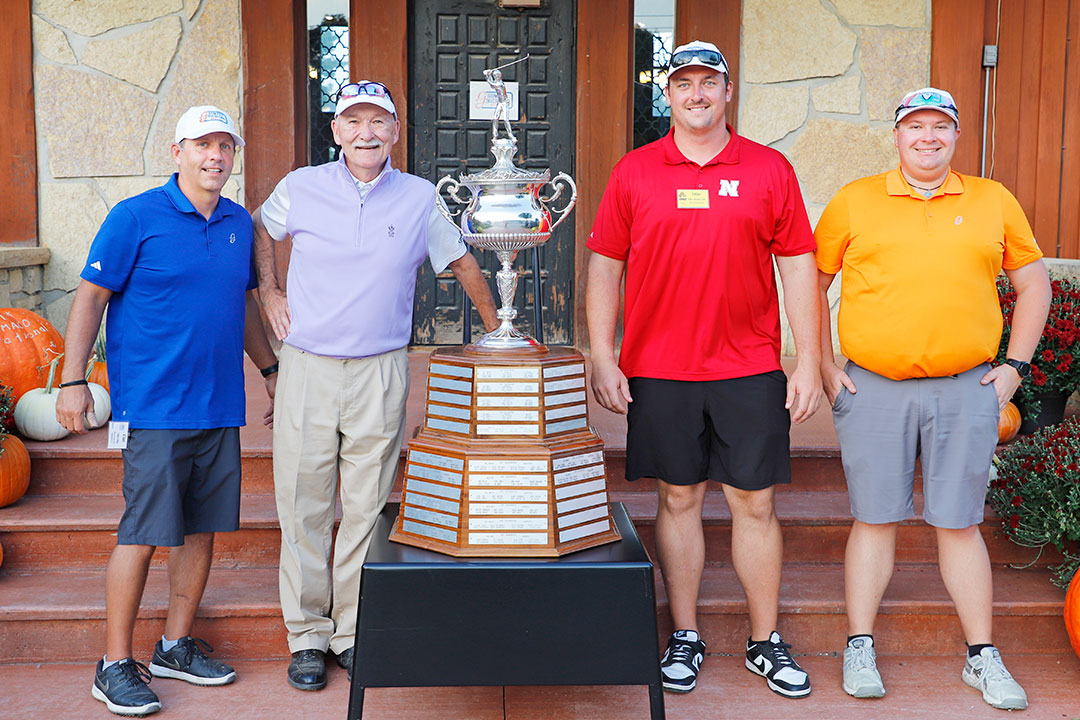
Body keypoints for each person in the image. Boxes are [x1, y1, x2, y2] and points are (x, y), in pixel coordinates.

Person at [586, 40, 822, 697]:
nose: (697, 94)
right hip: (660, 368)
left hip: (749, 366)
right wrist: (602, 353)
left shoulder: (769, 168)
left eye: (708, 82)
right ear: (667, 94)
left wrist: (808, 359)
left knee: (755, 501)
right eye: (684, 83)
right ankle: (685, 635)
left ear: (727, 91)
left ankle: (765, 640)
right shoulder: (634, 171)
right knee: (679, 497)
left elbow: (797, 264)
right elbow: (605, 265)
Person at [253, 80, 498, 691]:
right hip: (308, 365)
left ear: (395, 131)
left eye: (378, 122)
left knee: (366, 507)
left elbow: (462, 261)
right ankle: (307, 636)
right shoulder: (300, 186)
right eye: (354, 121)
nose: (366, 133)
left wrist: (500, 336)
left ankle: (351, 632)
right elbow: (261, 228)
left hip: (382, 369)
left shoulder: (419, 198)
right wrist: (270, 291)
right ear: (336, 130)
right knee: (303, 503)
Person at [815, 87, 1051, 710]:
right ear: (896, 135)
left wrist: (1014, 369)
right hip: (874, 386)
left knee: (960, 523)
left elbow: (1034, 284)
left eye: (940, 127)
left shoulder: (992, 200)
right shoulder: (855, 200)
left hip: (964, 387)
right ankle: (859, 645)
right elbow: (811, 280)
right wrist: (821, 363)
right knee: (874, 519)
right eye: (915, 126)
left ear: (955, 136)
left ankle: (981, 656)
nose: (928, 137)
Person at [56, 105, 278, 717]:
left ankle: (175, 647)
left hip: (218, 405)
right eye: (203, 145)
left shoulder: (237, 223)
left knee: (201, 529)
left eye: (225, 146)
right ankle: (113, 664)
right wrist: (72, 380)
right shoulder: (134, 217)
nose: (215, 157)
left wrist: (270, 370)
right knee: (144, 531)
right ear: (177, 152)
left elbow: (243, 307)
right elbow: (90, 298)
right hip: (153, 408)